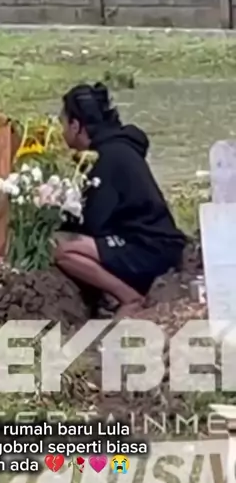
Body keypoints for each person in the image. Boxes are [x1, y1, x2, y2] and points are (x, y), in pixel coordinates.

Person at [53, 83, 187, 317]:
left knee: (63, 250)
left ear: (76, 126)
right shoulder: (119, 147)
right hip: (154, 242)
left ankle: (129, 298)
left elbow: (94, 222)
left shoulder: (107, 158)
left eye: (63, 122)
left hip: (148, 248)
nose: (61, 130)